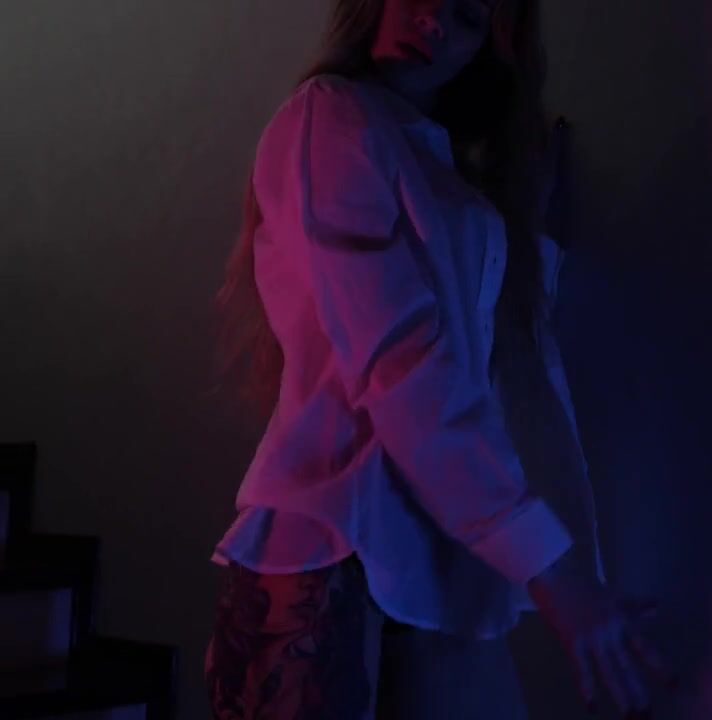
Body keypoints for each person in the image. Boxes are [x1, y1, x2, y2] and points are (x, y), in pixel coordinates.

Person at [204, 0, 677, 717]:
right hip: (340, 547)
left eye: (467, 15)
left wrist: (531, 234)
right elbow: (401, 365)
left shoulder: (444, 166)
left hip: (443, 567)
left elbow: (486, 351)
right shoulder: (330, 116)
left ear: (490, 44)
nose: (433, 20)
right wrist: (554, 573)